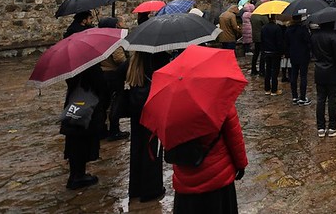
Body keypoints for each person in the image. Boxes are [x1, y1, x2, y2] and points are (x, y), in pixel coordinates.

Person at [171, 104, 248, 214]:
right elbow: (233, 135)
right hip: (217, 180)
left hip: (186, 180)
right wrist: (241, 164)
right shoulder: (220, 100)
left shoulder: (172, 106)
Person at [126, 51, 170, 202]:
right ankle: (151, 189)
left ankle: (136, 188)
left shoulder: (134, 59)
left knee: (137, 146)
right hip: (151, 106)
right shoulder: (157, 57)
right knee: (152, 148)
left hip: (135, 106)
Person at [61, 63, 107, 190]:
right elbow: (99, 83)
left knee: (74, 141)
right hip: (86, 105)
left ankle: (75, 174)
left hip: (73, 104)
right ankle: (78, 176)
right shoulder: (90, 64)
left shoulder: (71, 65)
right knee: (81, 141)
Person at [311, 20, 336, 138]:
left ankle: (320, 127)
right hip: (332, 72)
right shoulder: (334, 37)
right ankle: (332, 127)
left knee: (320, 99)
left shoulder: (314, 36)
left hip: (319, 71)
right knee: (332, 99)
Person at [97, 17, 129, 140]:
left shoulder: (98, 39)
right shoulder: (113, 40)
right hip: (113, 75)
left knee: (104, 103)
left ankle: (101, 128)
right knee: (116, 102)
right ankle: (114, 130)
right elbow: (119, 58)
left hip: (102, 74)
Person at [286, 16, 313, 105]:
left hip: (293, 55)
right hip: (303, 55)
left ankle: (294, 96)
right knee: (303, 76)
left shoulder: (289, 29)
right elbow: (309, 41)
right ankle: (302, 97)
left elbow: (286, 42)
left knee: (294, 75)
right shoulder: (303, 29)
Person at [261, 15, 286, 96]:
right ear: (275, 18)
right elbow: (279, 42)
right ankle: (274, 90)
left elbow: (262, 40)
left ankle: (267, 89)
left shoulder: (263, 28)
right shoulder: (277, 28)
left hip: (266, 52)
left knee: (267, 70)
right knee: (275, 71)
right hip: (275, 53)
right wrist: (282, 52)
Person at [250, 3, 269, 77]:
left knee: (256, 53)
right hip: (261, 37)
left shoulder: (253, 15)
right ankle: (262, 70)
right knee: (263, 54)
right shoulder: (262, 15)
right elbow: (266, 24)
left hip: (255, 36)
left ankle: (253, 69)